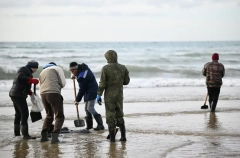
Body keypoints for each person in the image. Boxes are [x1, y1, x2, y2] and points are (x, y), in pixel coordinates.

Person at [97, 50, 130, 142]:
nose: (106, 59)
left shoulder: (105, 68)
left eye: (106, 58)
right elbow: (126, 82)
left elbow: (102, 83)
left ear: (108, 58)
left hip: (109, 97)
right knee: (119, 115)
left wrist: (99, 94)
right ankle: (123, 137)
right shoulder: (123, 68)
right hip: (119, 96)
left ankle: (112, 139)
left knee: (110, 116)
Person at [69, 62, 104, 131]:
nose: (72, 72)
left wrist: (77, 100)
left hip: (92, 90)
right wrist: (75, 76)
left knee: (90, 108)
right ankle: (89, 126)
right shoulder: (83, 68)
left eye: (73, 71)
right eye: (70, 71)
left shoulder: (81, 77)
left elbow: (82, 90)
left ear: (76, 69)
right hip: (88, 89)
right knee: (86, 108)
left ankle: (100, 125)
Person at [9, 60, 39, 139]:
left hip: (16, 93)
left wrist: (28, 91)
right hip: (18, 94)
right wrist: (31, 80)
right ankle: (25, 135)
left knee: (18, 114)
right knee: (24, 114)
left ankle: (17, 134)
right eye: (35, 68)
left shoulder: (27, 72)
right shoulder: (23, 69)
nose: (36, 70)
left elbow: (20, 82)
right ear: (32, 67)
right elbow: (20, 77)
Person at [39, 62, 66, 144]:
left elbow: (40, 84)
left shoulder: (42, 72)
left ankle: (44, 137)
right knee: (59, 116)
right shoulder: (57, 68)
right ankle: (55, 138)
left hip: (43, 94)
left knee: (49, 115)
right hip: (53, 93)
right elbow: (63, 83)